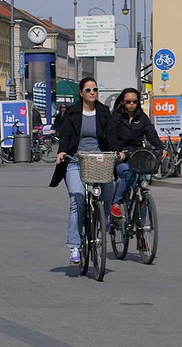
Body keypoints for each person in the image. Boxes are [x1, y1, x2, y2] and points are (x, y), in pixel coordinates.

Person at [50, 77, 124, 264]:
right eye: (88, 90)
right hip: (76, 160)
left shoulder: (103, 112)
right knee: (77, 197)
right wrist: (62, 152)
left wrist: (117, 151)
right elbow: (65, 134)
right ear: (81, 93)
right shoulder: (73, 112)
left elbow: (111, 134)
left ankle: (104, 215)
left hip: (99, 160)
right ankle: (75, 246)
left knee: (110, 185)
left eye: (95, 90)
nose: (92, 93)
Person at [110, 88, 165, 218]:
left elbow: (151, 134)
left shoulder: (142, 117)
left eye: (134, 101)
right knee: (128, 174)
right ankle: (116, 202)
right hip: (121, 156)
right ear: (123, 102)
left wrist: (160, 148)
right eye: (128, 101)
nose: (131, 104)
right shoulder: (116, 117)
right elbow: (111, 136)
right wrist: (118, 151)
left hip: (137, 155)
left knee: (142, 185)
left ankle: (142, 228)